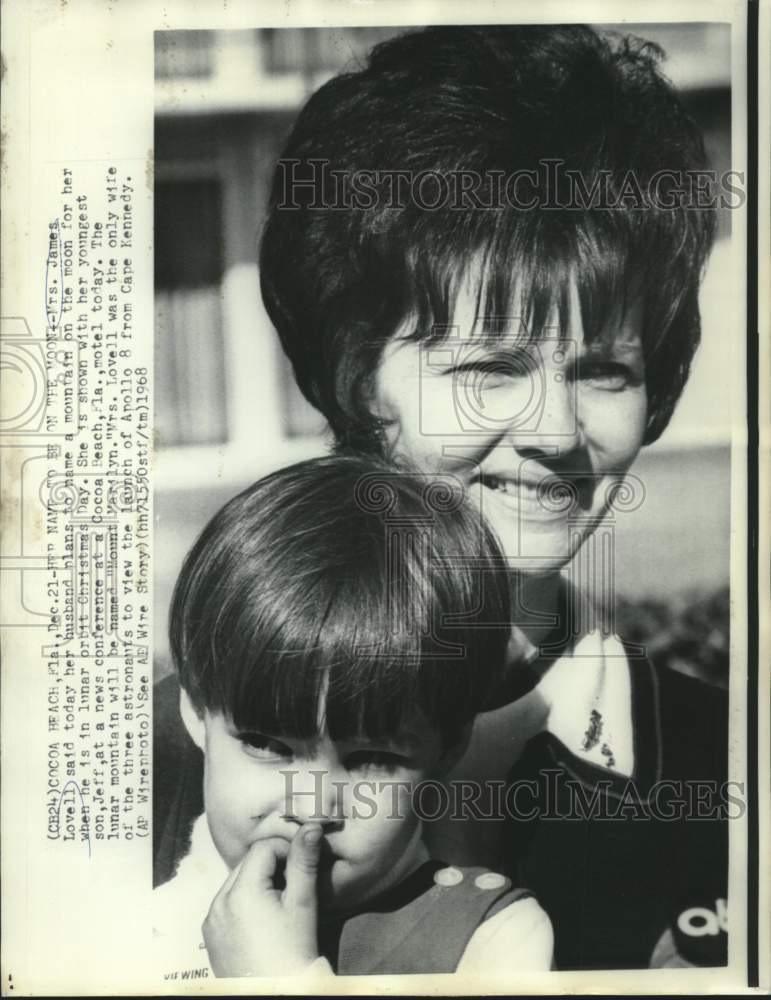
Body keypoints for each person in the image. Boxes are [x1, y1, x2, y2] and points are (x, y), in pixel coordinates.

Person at [155, 24, 728, 970]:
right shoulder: (151, 772)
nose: (553, 432)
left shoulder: (723, 768)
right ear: (356, 375)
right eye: (487, 369)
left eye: (603, 371)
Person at [154, 455, 554, 979]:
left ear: (449, 745)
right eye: (268, 745)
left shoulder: (490, 937)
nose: (312, 806)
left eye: (370, 757)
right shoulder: (133, 927)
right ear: (195, 712)